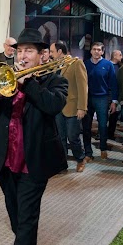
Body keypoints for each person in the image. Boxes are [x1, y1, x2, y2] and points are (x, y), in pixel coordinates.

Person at [0, 28, 68, 245]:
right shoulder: (7, 79)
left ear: (42, 55)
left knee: (27, 212)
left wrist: (27, 85)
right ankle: (25, 244)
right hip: (5, 157)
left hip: (33, 159)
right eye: (20, 51)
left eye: (29, 50)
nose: (22, 55)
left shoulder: (55, 80)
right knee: (14, 210)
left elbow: (53, 105)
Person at [49, 41, 88, 172]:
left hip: (72, 107)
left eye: (52, 51)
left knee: (73, 137)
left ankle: (80, 159)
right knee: (60, 137)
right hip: (58, 107)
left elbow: (83, 87)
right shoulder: (55, 66)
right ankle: (62, 163)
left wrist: (82, 107)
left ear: (60, 51)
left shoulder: (76, 63)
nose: (50, 54)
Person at [82, 42, 118, 160]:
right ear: (91, 51)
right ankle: (88, 152)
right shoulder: (85, 64)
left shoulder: (108, 65)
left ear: (102, 52)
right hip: (87, 98)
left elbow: (113, 83)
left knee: (102, 125)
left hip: (102, 98)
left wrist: (114, 101)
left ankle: (103, 148)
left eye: (99, 50)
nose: (96, 51)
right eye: (94, 49)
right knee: (86, 126)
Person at [107, 49, 123, 143]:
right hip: (106, 93)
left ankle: (110, 133)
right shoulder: (108, 65)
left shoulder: (120, 67)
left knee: (114, 115)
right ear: (115, 56)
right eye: (120, 55)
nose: (121, 57)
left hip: (116, 94)